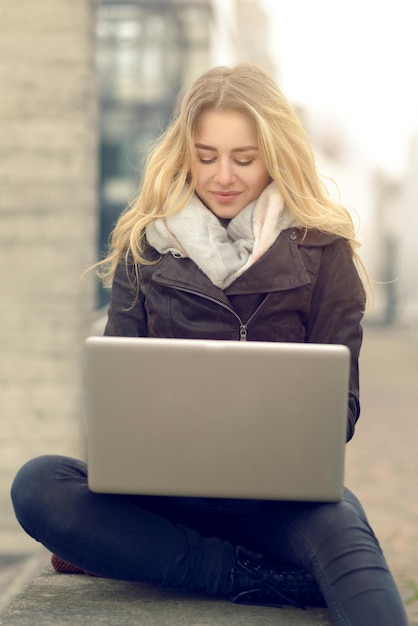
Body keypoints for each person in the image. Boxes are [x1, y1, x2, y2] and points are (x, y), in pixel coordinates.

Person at [11, 63, 408, 626]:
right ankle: (241, 576)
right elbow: (119, 405)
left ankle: (198, 564)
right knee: (38, 484)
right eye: (206, 156)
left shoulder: (325, 251)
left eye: (244, 158)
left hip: (282, 503)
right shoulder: (141, 248)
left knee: (363, 573)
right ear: (184, 154)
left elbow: (340, 411)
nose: (223, 175)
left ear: (275, 154)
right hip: (164, 503)